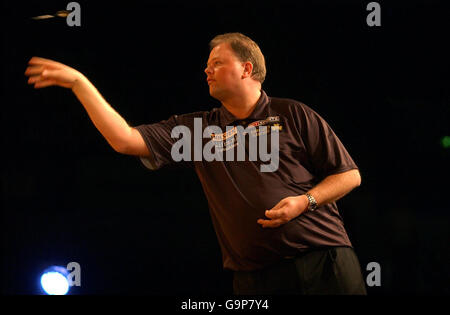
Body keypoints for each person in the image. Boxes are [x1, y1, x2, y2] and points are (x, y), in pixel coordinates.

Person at [25, 32, 367, 295]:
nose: (207, 69)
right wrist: (78, 83)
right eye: (208, 63)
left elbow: (349, 175)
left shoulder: (293, 113)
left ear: (247, 68)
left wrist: (303, 202)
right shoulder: (199, 130)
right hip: (252, 279)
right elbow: (124, 139)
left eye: (217, 62)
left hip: (324, 264)